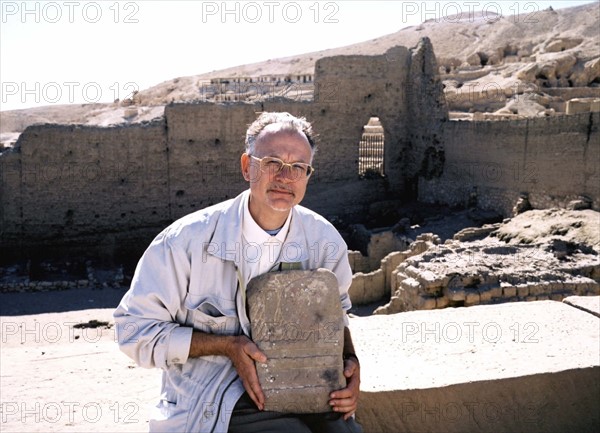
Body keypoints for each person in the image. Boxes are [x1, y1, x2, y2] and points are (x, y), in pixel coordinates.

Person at [114, 112, 363, 433]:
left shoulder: (323, 241)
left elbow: (337, 316)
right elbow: (133, 332)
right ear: (248, 167)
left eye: (298, 167)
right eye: (272, 162)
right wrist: (226, 346)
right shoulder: (185, 242)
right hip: (218, 396)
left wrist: (352, 363)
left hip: (309, 389)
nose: (285, 177)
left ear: (307, 176)